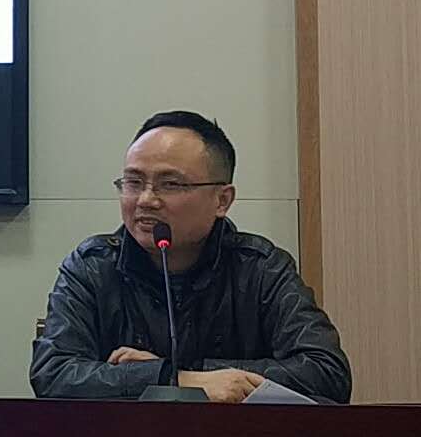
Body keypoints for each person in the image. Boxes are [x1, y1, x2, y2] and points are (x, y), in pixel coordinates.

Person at [31, 110, 350, 403]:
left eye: (170, 184)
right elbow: (53, 373)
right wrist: (178, 379)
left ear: (222, 200)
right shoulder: (93, 266)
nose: (146, 200)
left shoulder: (261, 268)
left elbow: (327, 374)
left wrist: (183, 374)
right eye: (134, 182)